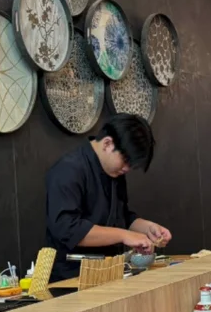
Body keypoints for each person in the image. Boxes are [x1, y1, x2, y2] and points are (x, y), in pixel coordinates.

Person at [46, 114, 173, 282]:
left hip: (110, 273)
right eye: (125, 160)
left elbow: (121, 216)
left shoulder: (114, 172)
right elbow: (68, 229)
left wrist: (147, 228)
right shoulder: (68, 170)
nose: (127, 169)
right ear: (107, 143)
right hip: (71, 280)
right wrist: (124, 235)